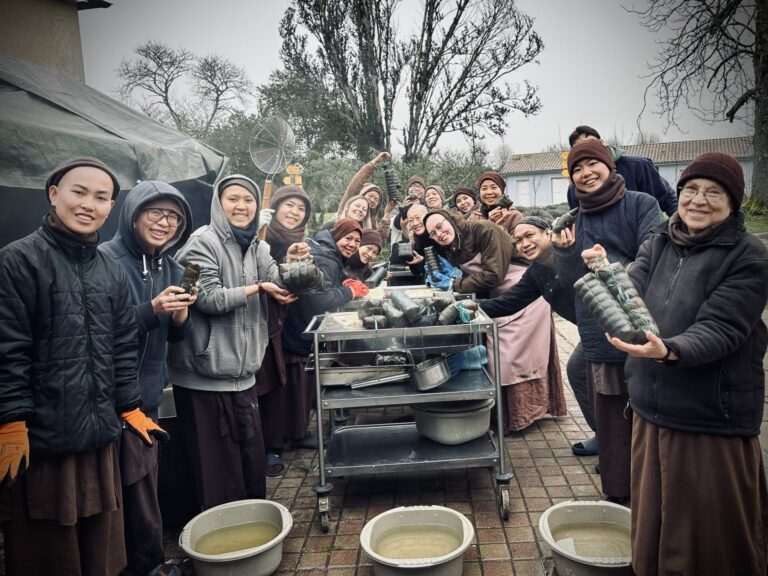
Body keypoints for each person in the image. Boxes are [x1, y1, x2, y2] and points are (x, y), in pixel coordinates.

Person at [0, 157, 165, 576]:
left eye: (101, 197)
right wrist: (11, 421)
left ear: (111, 208)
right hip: (43, 441)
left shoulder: (108, 268)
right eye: (79, 192)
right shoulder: (18, 261)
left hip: (100, 434)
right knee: (51, 552)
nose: (88, 204)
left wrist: (129, 405)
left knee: (101, 547)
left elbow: (123, 343)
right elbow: (8, 348)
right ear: (54, 195)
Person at [606, 153, 768, 575]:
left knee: (710, 540)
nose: (699, 200)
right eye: (691, 190)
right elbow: (630, 291)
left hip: (708, 421)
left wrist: (669, 350)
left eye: (714, 192)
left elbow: (722, 328)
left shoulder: (749, 256)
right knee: (655, 528)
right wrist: (600, 272)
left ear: (733, 202)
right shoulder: (659, 241)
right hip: (651, 412)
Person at [167, 175, 296, 510]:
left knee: (250, 463)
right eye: (233, 199)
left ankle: (252, 531)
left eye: (248, 200)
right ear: (218, 204)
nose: (242, 207)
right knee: (217, 472)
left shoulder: (258, 245)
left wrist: (291, 266)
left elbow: (274, 278)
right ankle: (219, 544)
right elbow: (204, 297)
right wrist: (258, 289)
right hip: (204, 376)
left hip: (244, 375)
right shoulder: (199, 244)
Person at [554, 139, 662, 505]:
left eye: (591, 165)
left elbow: (654, 254)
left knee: (648, 413)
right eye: (577, 169)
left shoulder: (641, 204)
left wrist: (606, 262)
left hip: (643, 323)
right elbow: (573, 283)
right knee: (613, 418)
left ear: (609, 166)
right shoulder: (576, 218)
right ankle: (620, 498)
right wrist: (566, 253)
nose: (585, 174)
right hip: (598, 329)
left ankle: (656, 496)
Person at [100, 181, 195, 576]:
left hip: (148, 394)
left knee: (142, 486)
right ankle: (143, 567)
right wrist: (150, 309)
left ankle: (145, 563)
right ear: (133, 213)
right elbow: (97, 329)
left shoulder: (170, 266)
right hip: (109, 397)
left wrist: (179, 314)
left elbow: (174, 335)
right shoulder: (105, 260)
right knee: (123, 493)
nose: (164, 222)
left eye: (173, 216)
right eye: (155, 212)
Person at [424, 209, 567, 432]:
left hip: (524, 291)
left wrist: (455, 284)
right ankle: (504, 418)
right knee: (498, 354)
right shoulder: (452, 246)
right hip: (500, 298)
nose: (439, 234)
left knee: (512, 357)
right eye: (432, 233)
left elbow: (493, 275)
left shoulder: (484, 230)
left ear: (450, 219)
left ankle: (523, 415)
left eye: (440, 226)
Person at [477, 217, 596, 450]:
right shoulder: (536, 272)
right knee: (579, 372)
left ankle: (620, 443)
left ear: (548, 233)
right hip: (590, 333)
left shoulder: (575, 253)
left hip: (612, 327)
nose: (524, 243)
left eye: (530, 235)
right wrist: (471, 308)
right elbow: (509, 303)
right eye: (518, 241)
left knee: (600, 379)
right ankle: (604, 434)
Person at [281, 218, 369, 449]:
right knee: (299, 388)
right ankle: (294, 436)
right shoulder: (324, 258)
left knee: (303, 386)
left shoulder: (327, 253)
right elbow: (318, 302)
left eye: (356, 241)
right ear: (336, 234)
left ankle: (296, 432)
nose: (351, 244)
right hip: (301, 332)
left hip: (300, 329)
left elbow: (325, 286)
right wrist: (349, 291)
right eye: (348, 238)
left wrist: (343, 283)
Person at [257, 184, 313, 477]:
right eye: (289, 206)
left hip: (287, 321)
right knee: (269, 386)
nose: (294, 212)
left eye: (301, 208)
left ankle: (294, 433)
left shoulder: (299, 241)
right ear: (275, 208)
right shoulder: (262, 236)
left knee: (290, 382)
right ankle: (269, 447)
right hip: (260, 322)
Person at [566, 125, 677, 216]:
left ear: (602, 143)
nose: (586, 151)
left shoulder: (639, 167)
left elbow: (669, 202)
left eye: (591, 144)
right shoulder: (575, 188)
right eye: (579, 149)